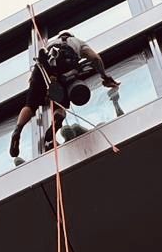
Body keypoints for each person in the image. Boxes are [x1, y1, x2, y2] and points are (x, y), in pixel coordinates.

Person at [9, 30, 120, 160]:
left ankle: (18, 129)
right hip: (64, 67)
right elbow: (95, 58)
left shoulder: (50, 44)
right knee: (60, 104)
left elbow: (37, 73)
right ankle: (56, 120)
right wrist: (104, 76)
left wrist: (37, 83)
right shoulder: (77, 42)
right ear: (71, 35)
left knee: (30, 105)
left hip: (42, 67)